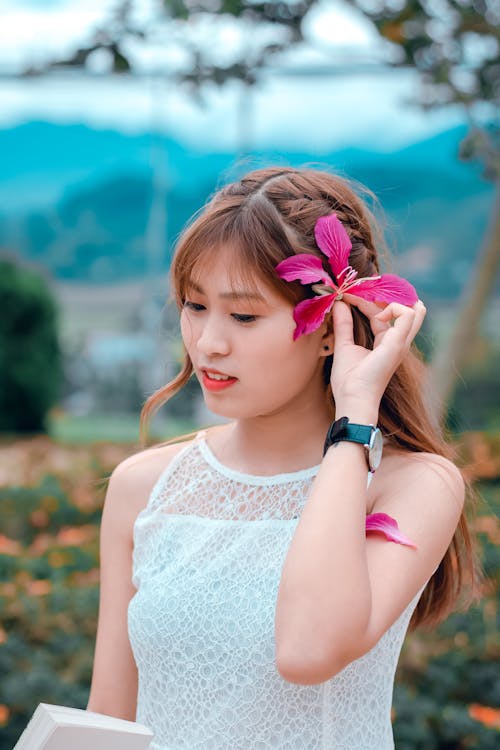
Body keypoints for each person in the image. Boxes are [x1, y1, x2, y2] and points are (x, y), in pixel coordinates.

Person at [86, 167, 474, 749]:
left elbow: (307, 650)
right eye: (194, 306)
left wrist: (354, 421)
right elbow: (109, 719)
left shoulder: (414, 484)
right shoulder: (144, 487)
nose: (208, 343)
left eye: (243, 316)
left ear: (329, 327)